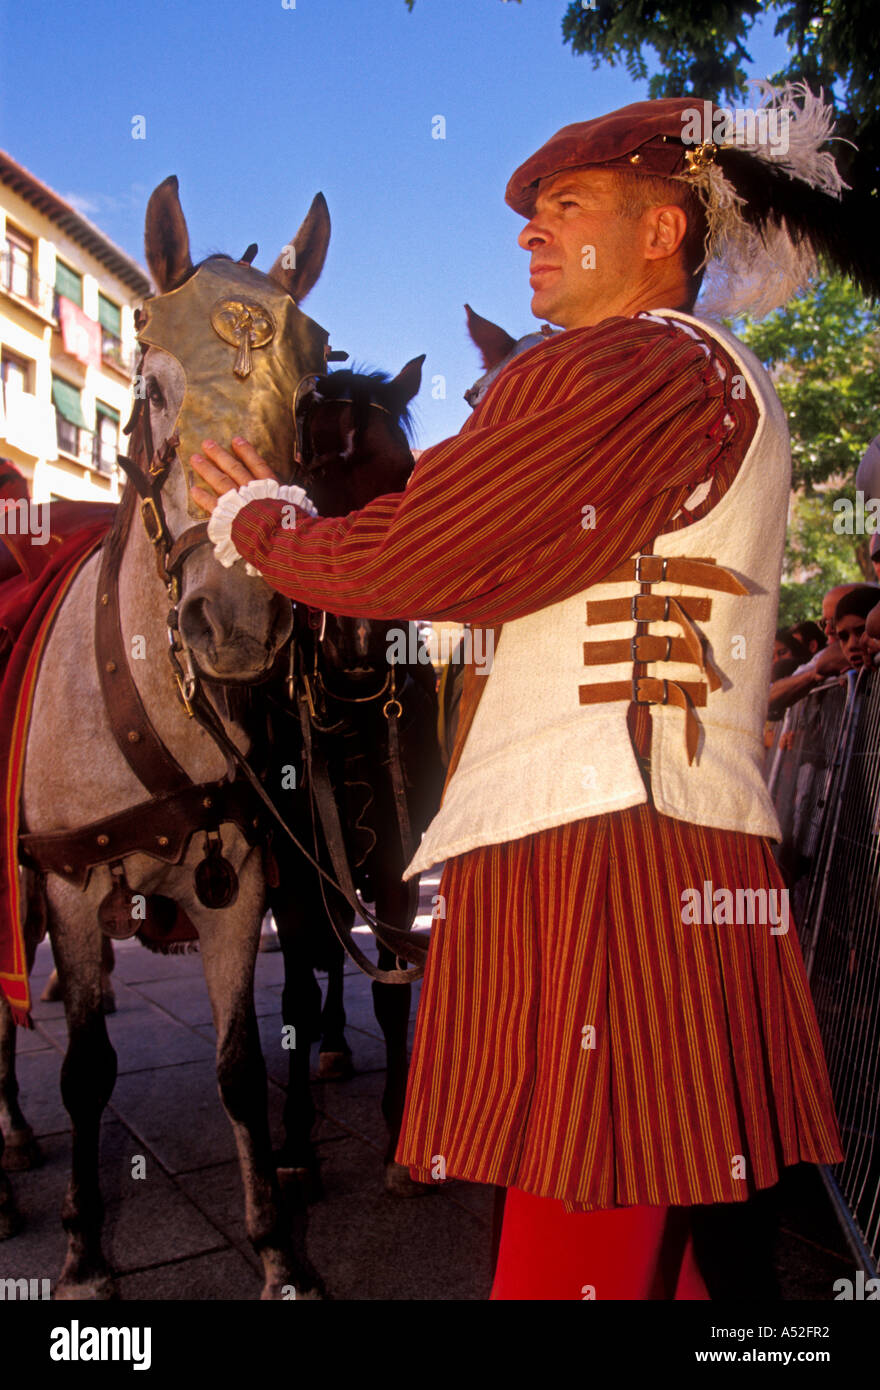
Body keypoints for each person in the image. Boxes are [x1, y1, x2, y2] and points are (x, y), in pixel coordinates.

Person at [188, 86, 875, 1300]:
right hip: (652, 833)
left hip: (605, 843)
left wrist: (262, 521)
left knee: (581, 1225)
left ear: (660, 232)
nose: (527, 232)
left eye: (565, 205)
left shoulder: (636, 363)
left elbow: (426, 553)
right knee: (667, 1220)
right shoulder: (693, 372)